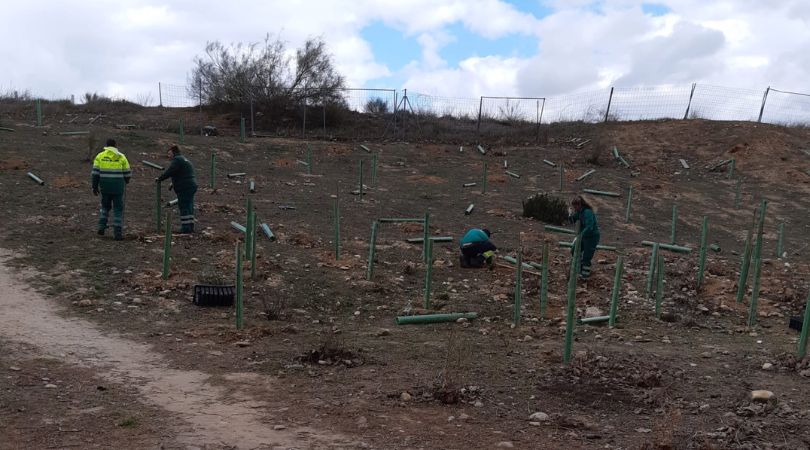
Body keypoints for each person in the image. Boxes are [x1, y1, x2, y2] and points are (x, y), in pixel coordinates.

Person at [92, 138, 131, 240]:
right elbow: (127, 172)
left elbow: (95, 173)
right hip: (118, 187)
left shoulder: (100, 156)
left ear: (106, 145)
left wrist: (94, 186)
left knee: (105, 206)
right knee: (118, 208)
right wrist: (126, 180)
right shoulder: (121, 156)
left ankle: (101, 226)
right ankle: (117, 232)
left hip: (105, 186)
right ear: (115, 145)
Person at [156, 145, 198, 233]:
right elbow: (181, 173)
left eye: (169, 153)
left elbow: (170, 171)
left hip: (185, 187)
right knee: (189, 206)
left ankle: (185, 228)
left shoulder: (177, 160)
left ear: (174, 152)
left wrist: (160, 178)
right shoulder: (183, 159)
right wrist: (173, 183)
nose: (168, 156)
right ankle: (190, 227)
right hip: (191, 185)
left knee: (184, 206)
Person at [568, 195, 600, 279]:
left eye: (575, 206)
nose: (575, 208)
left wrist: (581, 235)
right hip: (583, 236)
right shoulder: (579, 212)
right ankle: (578, 268)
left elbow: (590, 227)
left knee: (587, 256)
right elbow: (573, 219)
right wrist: (570, 215)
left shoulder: (587, 212)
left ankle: (585, 275)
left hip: (592, 237)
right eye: (573, 206)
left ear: (580, 204)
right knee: (574, 249)